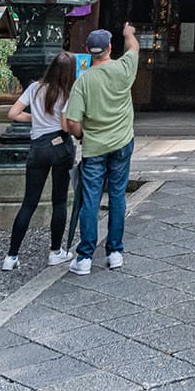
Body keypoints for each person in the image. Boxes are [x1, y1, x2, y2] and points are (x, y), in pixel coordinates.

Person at [64, 22, 138, 274]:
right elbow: (134, 49)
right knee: (118, 196)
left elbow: (72, 122)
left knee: (90, 199)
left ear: (88, 50)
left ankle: (84, 257)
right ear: (109, 48)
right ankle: (115, 252)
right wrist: (128, 33)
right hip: (122, 142)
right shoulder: (123, 69)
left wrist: (83, 135)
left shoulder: (83, 81)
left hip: (94, 147)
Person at [2, 50, 77, 271]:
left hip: (38, 146)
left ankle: (11, 255)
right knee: (59, 201)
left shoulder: (35, 87)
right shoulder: (67, 93)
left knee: (29, 202)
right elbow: (65, 126)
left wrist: (35, 118)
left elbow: (13, 113)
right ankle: (55, 251)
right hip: (60, 145)